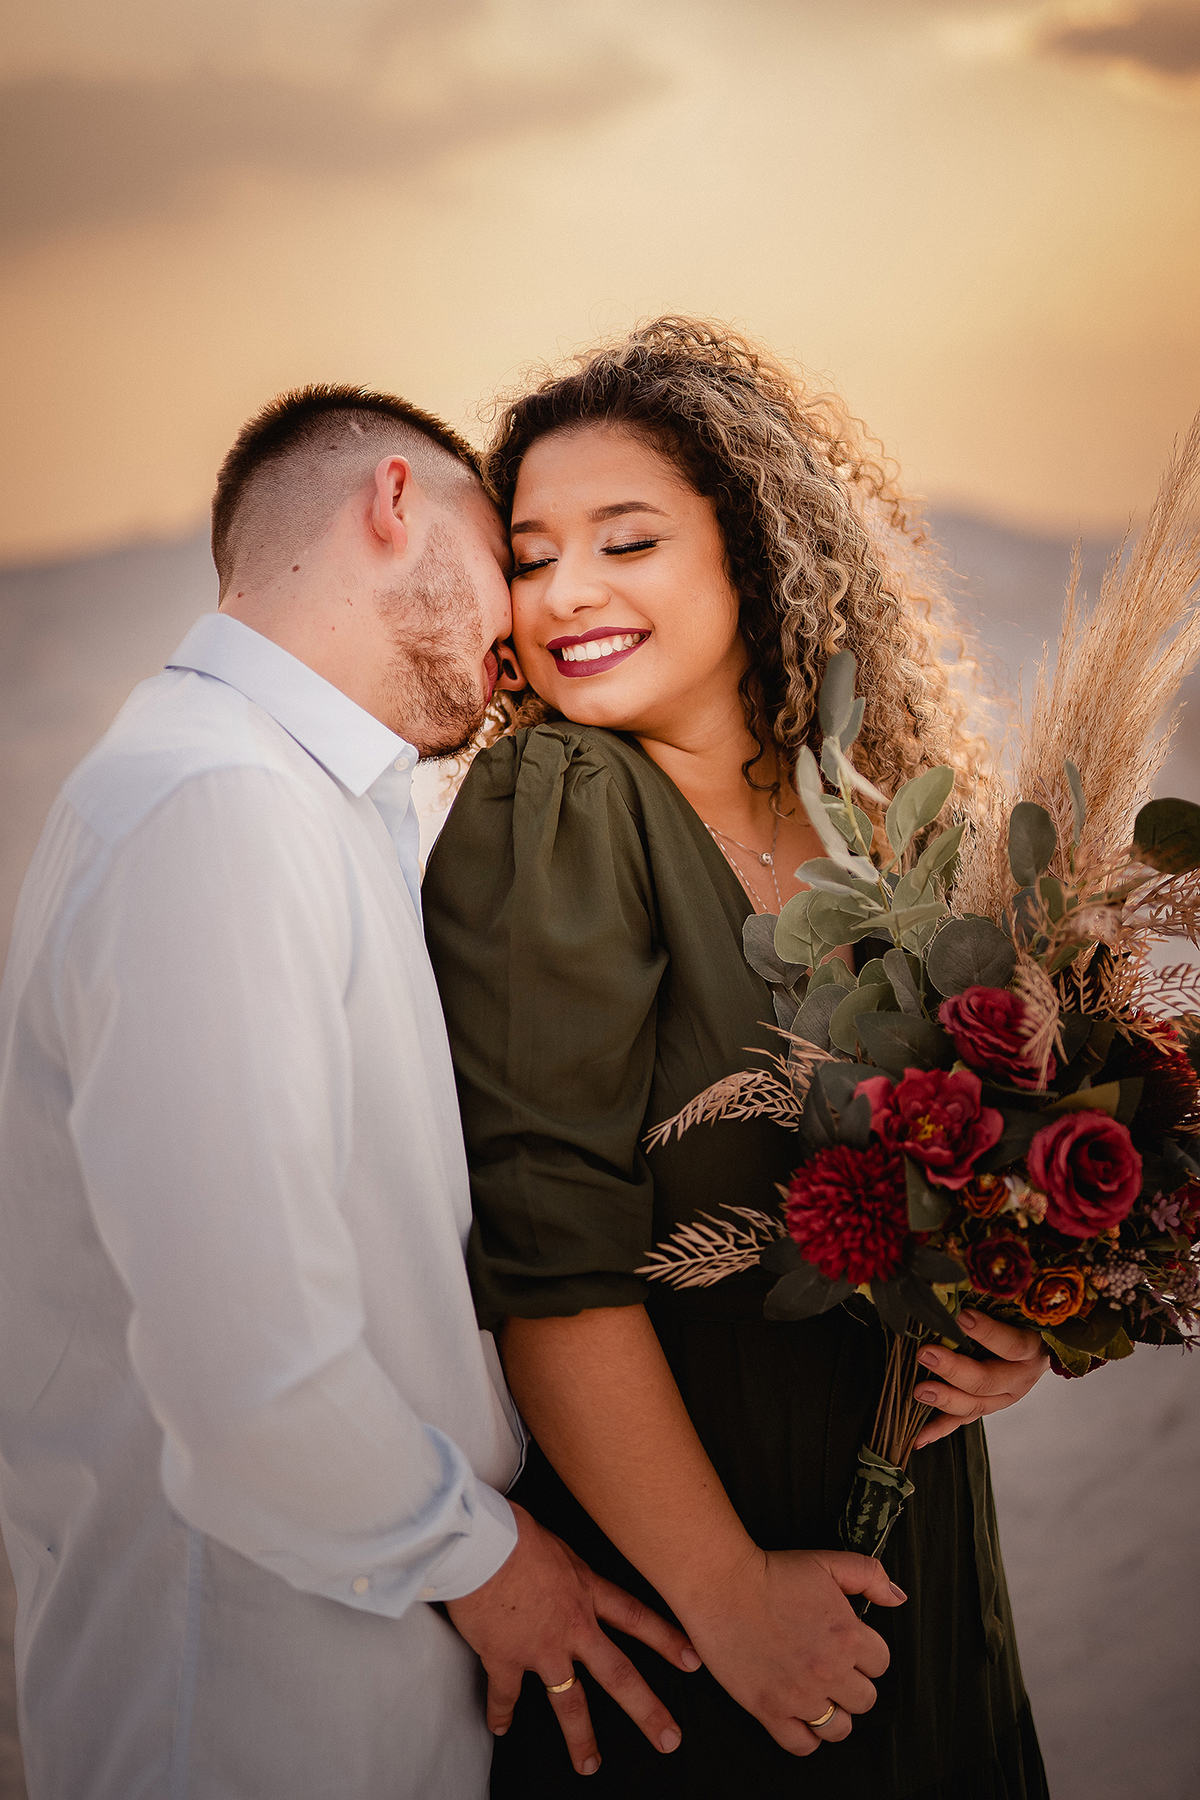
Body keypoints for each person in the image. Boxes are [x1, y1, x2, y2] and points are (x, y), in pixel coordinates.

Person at [0, 385, 699, 1800]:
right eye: (507, 554)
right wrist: (489, 1563)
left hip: (350, 1654)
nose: (525, 619)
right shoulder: (214, 805)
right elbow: (247, 1360)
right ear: (393, 504)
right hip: (248, 1694)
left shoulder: (294, 798)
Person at [423, 319, 1052, 1797]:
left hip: (925, 1579)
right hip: (703, 1628)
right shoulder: (562, 801)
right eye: (529, 557)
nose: (566, 593)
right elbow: (545, 1258)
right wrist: (725, 1595)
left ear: (751, 554)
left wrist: (1012, 1325)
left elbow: (964, 1186)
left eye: (626, 542)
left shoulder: (877, 829)